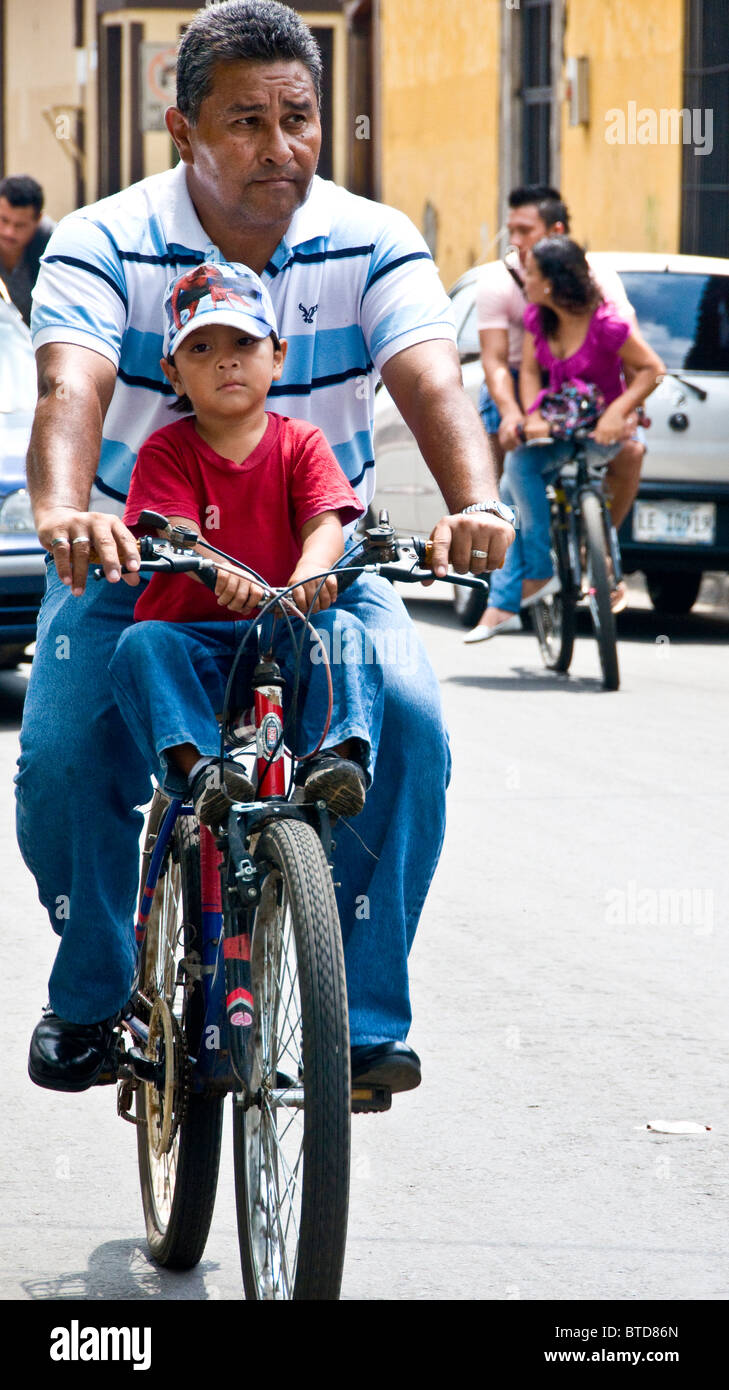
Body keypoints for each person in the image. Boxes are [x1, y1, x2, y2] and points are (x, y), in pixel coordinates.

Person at [18, 0, 515, 1098]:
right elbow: (71, 385)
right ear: (181, 128)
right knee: (61, 759)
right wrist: (63, 514)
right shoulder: (106, 241)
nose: (280, 146)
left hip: (312, 574)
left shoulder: (374, 238)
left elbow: (430, 375)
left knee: (414, 725)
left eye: (300, 117)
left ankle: (364, 1022)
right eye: (245, 120)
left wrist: (479, 501)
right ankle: (97, 987)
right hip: (137, 565)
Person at [108, 259, 373, 838]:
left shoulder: (301, 442)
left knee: (346, 634)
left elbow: (326, 522)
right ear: (172, 375)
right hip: (193, 637)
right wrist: (215, 569)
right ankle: (201, 772)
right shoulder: (166, 451)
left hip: (283, 627)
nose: (225, 359)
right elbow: (176, 531)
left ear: (277, 356)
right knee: (142, 644)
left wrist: (312, 571)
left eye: (244, 342)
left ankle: (337, 761)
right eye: (199, 349)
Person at [466, 236, 664, 641]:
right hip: (558, 426)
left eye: (533, 273)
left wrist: (615, 413)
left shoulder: (607, 325)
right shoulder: (540, 319)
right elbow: (535, 372)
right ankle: (541, 572)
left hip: (602, 430)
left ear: (553, 281)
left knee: (606, 465)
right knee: (518, 468)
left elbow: (651, 370)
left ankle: (600, 554)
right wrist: (534, 413)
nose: (526, 279)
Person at [477, 186, 643, 553]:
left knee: (631, 451)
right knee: (500, 459)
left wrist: (627, 411)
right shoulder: (497, 282)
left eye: (526, 231)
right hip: (523, 377)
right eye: (512, 231)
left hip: (587, 382)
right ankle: (500, 557)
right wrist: (513, 416)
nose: (515, 241)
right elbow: (496, 361)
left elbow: (632, 353)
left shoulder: (597, 277)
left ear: (556, 233)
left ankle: (597, 550)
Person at [0, 175, 54, 326]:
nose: (9, 232)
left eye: (20, 225)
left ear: (38, 219)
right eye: (3, 220)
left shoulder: (52, 247)